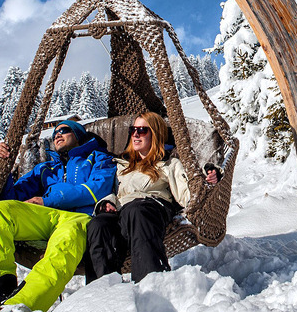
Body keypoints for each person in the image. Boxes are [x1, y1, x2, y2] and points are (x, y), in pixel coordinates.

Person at [0, 120, 116, 312]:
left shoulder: (97, 158)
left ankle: (18, 306)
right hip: (46, 218)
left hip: (80, 219)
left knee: (66, 240)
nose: (57, 135)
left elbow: (97, 190)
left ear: (78, 135)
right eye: (54, 133)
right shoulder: (45, 169)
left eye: (64, 130)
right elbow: (10, 197)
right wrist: (0, 165)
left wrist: (47, 200)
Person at [84, 112, 219, 283]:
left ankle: (151, 284)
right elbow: (113, 193)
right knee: (98, 225)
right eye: (133, 130)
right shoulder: (122, 166)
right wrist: (107, 203)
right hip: (122, 213)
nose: (135, 134)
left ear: (155, 134)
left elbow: (188, 194)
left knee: (137, 211)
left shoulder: (169, 164)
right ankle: (101, 293)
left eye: (142, 130)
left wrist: (209, 178)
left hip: (151, 209)